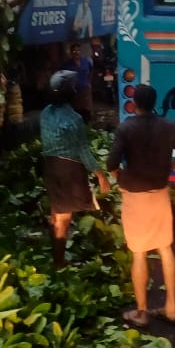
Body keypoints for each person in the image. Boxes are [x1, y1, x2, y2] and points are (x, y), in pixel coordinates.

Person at [105, 84, 175, 328]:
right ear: (154, 103)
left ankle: (142, 311)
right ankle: (171, 308)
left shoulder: (126, 128)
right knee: (165, 248)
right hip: (160, 193)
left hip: (135, 196)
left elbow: (111, 162)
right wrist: (171, 168)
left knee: (139, 252)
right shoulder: (168, 126)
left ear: (134, 104)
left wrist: (119, 178)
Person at [40, 70, 112, 268]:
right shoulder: (73, 119)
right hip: (67, 169)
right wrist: (101, 176)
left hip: (49, 166)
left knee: (56, 212)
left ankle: (57, 253)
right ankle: (59, 262)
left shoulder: (45, 113)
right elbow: (83, 151)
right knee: (64, 217)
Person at [66, 43, 93, 123]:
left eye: (78, 50)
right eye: (74, 51)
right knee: (77, 111)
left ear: (80, 51)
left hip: (86, 90)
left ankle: (88, 126)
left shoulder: (85, 61)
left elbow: (91, 71)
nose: (76, 52)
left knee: (87, 111)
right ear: (71, 53)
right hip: (75, 92)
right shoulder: (67, 65)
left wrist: (89, 82)